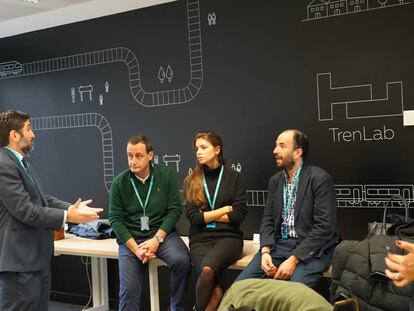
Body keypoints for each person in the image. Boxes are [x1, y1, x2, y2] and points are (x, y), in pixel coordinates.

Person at [0, 109, 103, 311]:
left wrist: (71, 208)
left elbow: (42, 198)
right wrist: (68, 216)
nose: (33, 134)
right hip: (19, 264)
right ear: (14, 135)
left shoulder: (24, 162)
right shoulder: (3, 164)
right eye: (29, 128)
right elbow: (25, 210)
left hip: (37, 260)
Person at [236, 129, 338, 288]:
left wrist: (294, 259)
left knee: (292, 291)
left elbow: (324, 228)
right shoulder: (275, 181)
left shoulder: (319, 178)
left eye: (282, 146)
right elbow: (268, 220)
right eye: (276, 145)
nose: (275, 151)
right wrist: (265, 252)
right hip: (279, 245)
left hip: (312, 249)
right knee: (240, 288)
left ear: (298, 152)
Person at [109, 135, 190, 311]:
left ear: (150, 155)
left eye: (139, 155)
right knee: (128, 290)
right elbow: (115, 220)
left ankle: (177, 308)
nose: (133, 161)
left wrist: (157, 239)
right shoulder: (119, 182)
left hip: (163, 235)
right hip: (132, 239)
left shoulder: (165, 175)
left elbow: (174, 210)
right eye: (130, 156)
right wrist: (136, 249)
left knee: (181, 260)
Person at [183, 131, 247, 311]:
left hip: (228, 238)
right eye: (196, 148)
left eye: (204, 147)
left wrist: (207, 215)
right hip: (199, 240)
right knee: (216, 292)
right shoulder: (191, 180)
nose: (198, 152)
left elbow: (238, 216)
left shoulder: (234, 178)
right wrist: (225, 209)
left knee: (208, 270)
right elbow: (194, 218)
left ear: (217, 149)